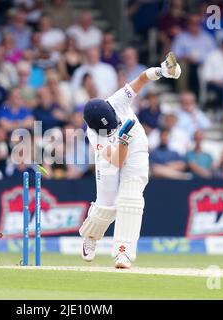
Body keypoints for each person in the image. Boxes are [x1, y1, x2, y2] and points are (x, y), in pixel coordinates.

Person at [79, 52, 181, 269]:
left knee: (131, 197)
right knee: (107, 202)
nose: (112, 128)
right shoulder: (95, 136)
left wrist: (162, 71)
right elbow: (116, 161)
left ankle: (123, 254)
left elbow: (142, 78)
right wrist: (121, 140)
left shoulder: (117, 101)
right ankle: (91, 236)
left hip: (135, 144)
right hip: (116, 153)